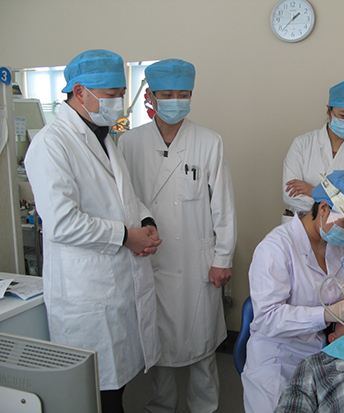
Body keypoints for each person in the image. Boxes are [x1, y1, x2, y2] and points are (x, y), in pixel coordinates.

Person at [24, 49, 162, 413]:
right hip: (86, 292)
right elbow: (62, 223)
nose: (118, 102)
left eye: (121, 92)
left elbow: (125, 197)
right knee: (98, 392)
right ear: (80, 92)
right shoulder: (51, 144)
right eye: (111, 94)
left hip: (117, 284)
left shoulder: (103, 137)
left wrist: (146, 223)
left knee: (116, 386)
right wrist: (126, 236)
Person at [118, 58, 237, 413]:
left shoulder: (208, 141)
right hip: (150, 259)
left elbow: (224, 205)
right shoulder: (129, 143)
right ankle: (161, 406)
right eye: (167, 94)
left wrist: (223, 258)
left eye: (183, 94)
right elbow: (125, 200)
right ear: (151, 97)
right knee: (157, 347)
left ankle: (205, 407)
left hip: (194, 262)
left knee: (202, 346)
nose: (175, 101)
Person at [242, 170, 344, 413]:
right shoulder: (276, 248)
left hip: (323, 353)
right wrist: (327, 314)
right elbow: (268, 318)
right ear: (323, 209)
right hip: (279, 357)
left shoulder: (341, 245)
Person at [283, 80, 344, 221]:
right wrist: (338, 201)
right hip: (302, 225)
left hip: (342, 229)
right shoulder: (302, 144)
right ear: (329, 111)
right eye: (343, 116)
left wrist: (312, 191)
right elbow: (290, 195)